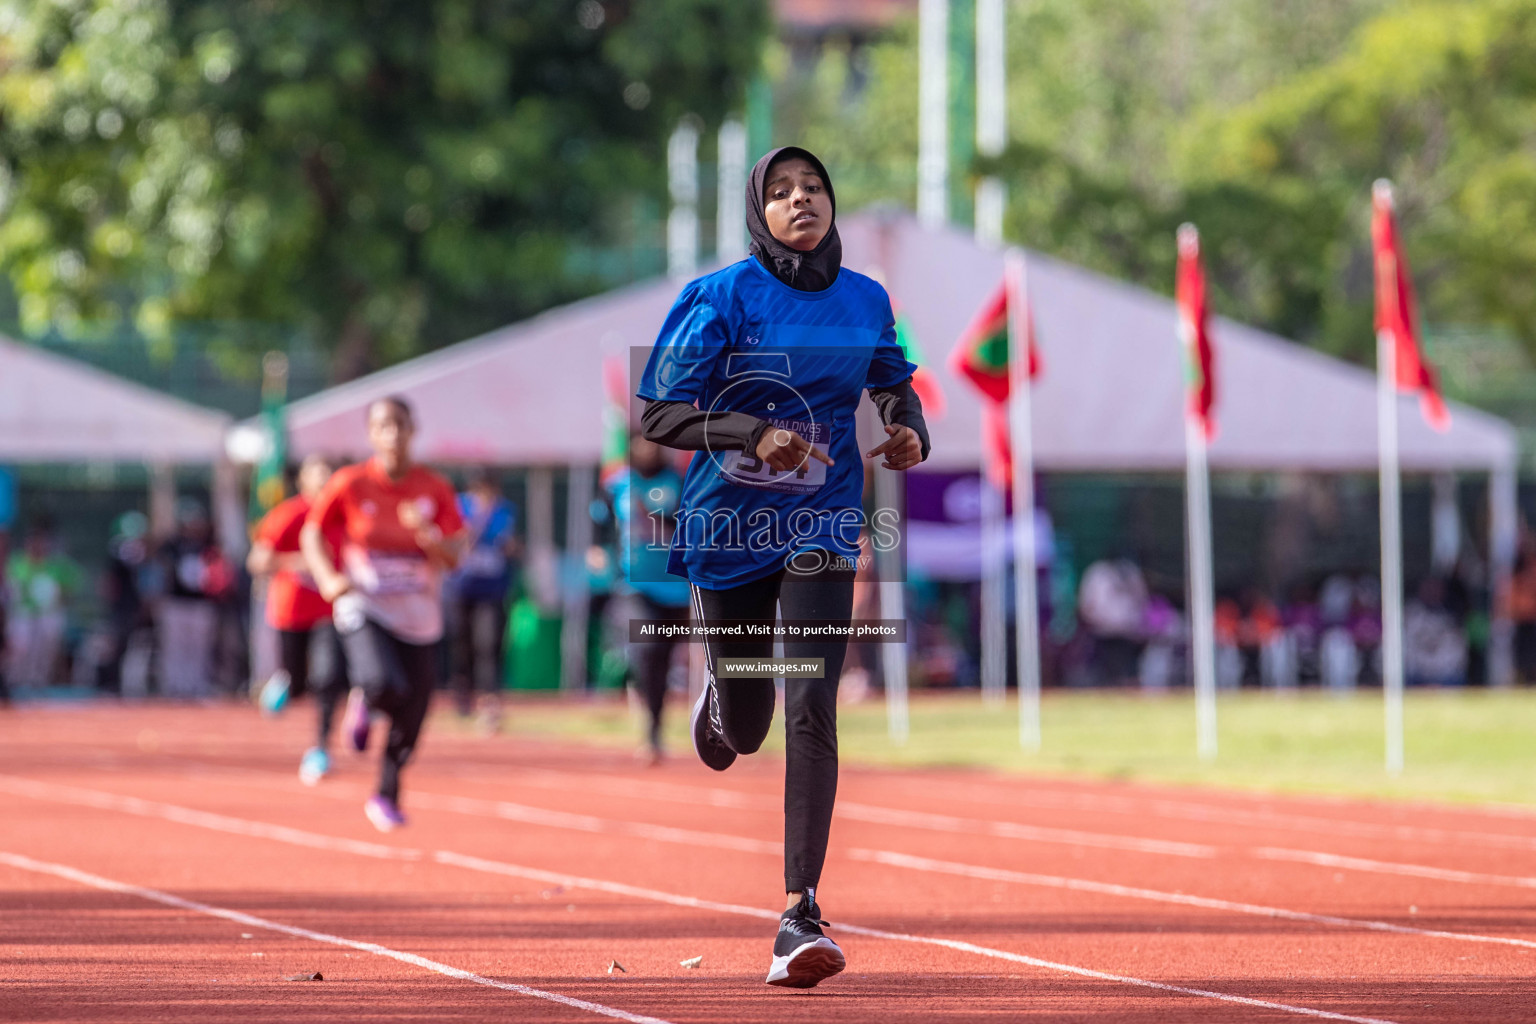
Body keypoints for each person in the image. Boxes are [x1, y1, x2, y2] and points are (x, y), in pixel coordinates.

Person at [637, 146, 929, 988]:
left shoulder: (866, 299)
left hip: (823, 524)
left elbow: (892, 383)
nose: (801, 199)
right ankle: (722, 703)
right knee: (750, 727)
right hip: (727, 525)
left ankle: (799, 912)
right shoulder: (721, 297)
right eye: (780, 190)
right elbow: (660, 409)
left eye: (814, 188)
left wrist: (908, 429)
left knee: (812, 704)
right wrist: (748, 433)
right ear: (757, 211)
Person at [301, 396, 464, 832]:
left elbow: (455, 555)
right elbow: (312, 532)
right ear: (372, 434)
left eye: (400, 425)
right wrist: (328, 579)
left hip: (419, 615)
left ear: (413, 430)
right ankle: (365, 699)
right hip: (365, 605)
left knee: (414, 712)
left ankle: (386, 794)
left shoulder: (435, 489)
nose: (392, 434)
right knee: (382, 682)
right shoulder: (350, 484)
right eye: (383, 426)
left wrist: (427, 536)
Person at [250, 455, 350, 785]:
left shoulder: (346, 514)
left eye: (329, 471)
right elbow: (258, 561)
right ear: (303, 480)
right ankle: (286, 682)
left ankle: (320, 748)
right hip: (292, 612)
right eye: (318, 471)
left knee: (328, 678)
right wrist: (302, 561)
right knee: (299, 684)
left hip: (331, 611)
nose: (325, 477)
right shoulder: (290, 514)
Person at [608, 432, 691, 764]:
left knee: (665, 659)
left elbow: (691, 524)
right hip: (635, 583)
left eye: (652, 443)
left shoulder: (678, 482)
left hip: (676, 586)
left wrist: (657, 519)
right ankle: (651, 728)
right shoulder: (618, 484)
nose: (647, 449)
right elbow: (602, 520)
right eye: (640, 443)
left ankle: (655, 725)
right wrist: (598, 549)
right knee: (648, 649)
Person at [447, 468, 519, 727]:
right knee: (461, 642)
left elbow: (508, 543)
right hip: (461, 587)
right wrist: (473, 525)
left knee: (489, 643)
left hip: (492, 588)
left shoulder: (503, 510)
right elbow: (456, 539)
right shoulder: (460, 507)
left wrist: (510, 546)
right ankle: (463, 694)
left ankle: (490, 698)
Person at [156, 500, 235, 698]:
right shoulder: (173, 544)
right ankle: (174, 686)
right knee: (175, 648)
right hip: (176, 603)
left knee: (200, 648)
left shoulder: (210, 544)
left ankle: (197, 686)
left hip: (202, 603)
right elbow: (159, 532)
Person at [6, 518, 82, 688]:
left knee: (46, 646)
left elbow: (70, 588)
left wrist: (59, 597)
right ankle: (16, 680)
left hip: (48, 613)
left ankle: (38, 681)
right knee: (21, 647)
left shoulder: (57, 565)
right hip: (23, 613)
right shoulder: (18, 563)